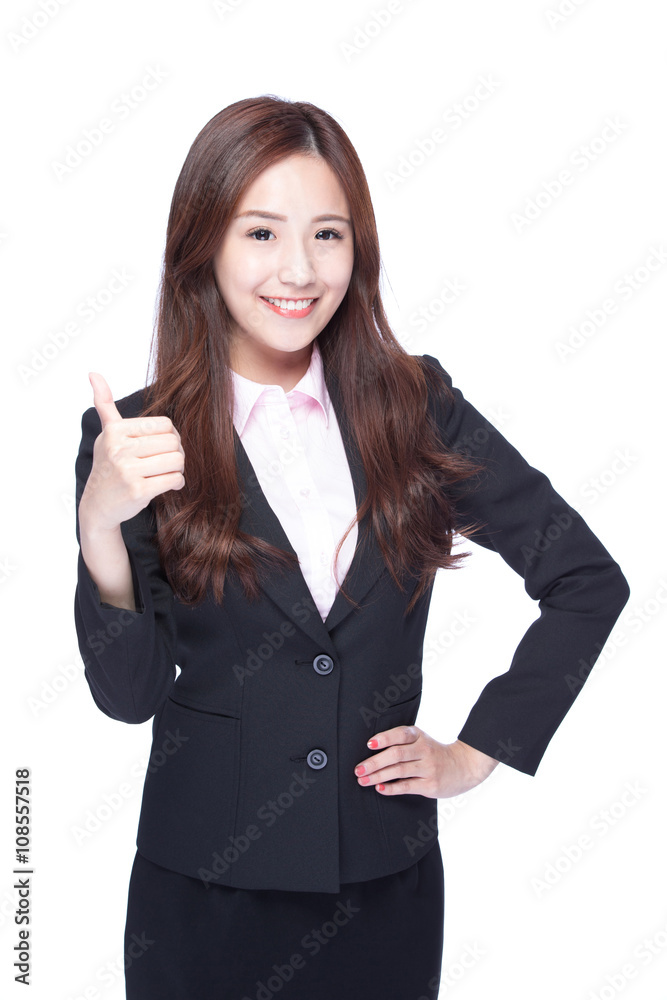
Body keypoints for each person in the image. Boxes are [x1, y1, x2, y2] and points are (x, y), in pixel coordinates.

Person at [73, 95, 630, 999]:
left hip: (381, 892)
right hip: (203, 896)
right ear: (203, 244)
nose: (298, 270)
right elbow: (128, 699)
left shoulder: (415, 408)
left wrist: (474, 753)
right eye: (261, 233)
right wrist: (101, 522)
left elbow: (585, 580)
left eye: (327, 235)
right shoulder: (137, 438)